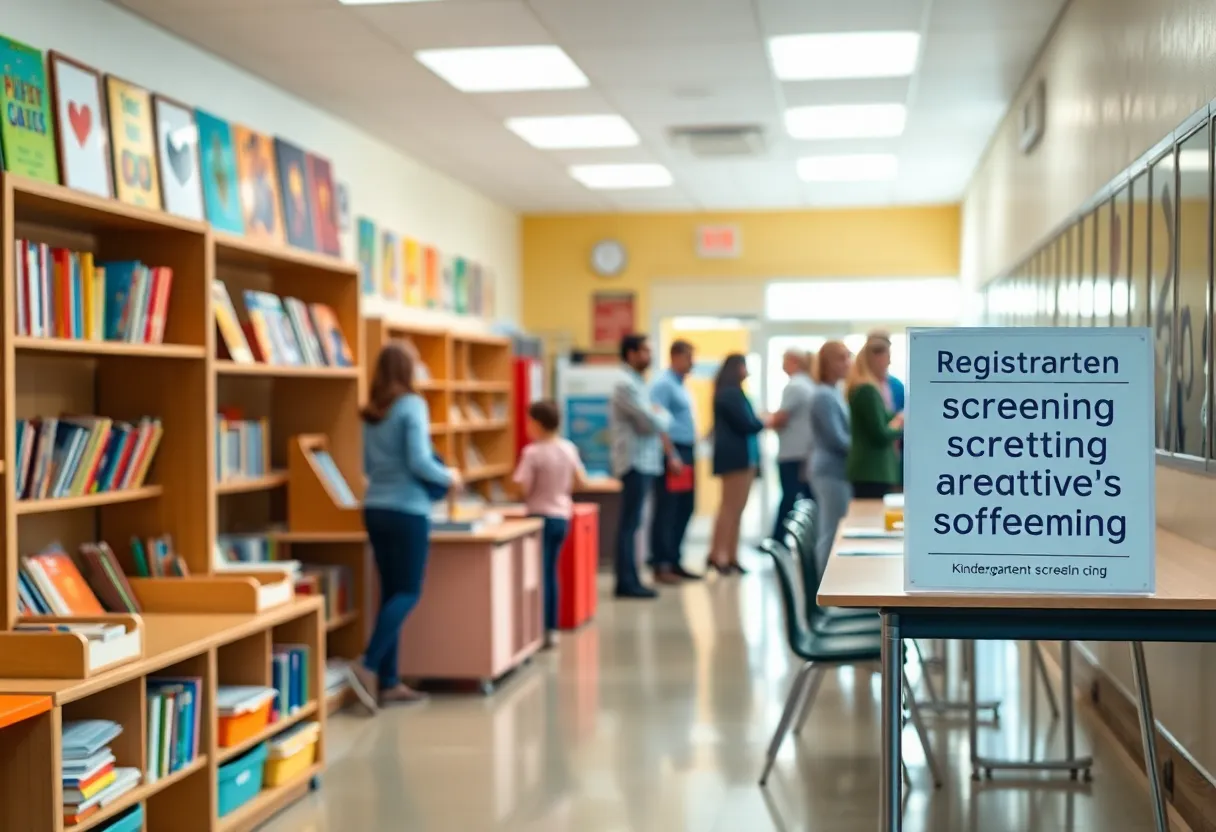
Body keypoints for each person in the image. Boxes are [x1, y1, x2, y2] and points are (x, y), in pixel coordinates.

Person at [348, 342, 462, 711]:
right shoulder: (412, 405)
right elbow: (419, 461)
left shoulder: (371, 412)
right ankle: (367, 665)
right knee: (409, 591)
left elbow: (366, 465)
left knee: (390, 593)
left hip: (375, 507)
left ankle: (391, 681)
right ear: (406, 369)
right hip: (407, 510)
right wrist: (450, 476)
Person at [514, 400, 587, 648]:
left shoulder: (533, 453)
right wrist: (562, 493)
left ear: (537, 423)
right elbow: (581, 481)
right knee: (551, 572)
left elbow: (524, 488)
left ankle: (539, 628)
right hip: (561, 516)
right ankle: (552, 628)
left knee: (539, 574)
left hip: (539, 517)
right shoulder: (568, 449)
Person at [609, 333, 671, 599]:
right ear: (631, 353)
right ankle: (625, 581)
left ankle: (632, 578)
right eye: (645, 351)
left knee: (634, 524)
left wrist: (657, 416)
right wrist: (657, 415)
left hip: (645, 460)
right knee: (629, 524)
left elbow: (659, 420)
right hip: (634, 461)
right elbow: (651, 422)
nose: (650, 356)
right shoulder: (625, 384)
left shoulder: (638, 383)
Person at [708, 354, 771, 574]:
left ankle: (731, 555)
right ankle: (719, 555)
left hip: (745, 458)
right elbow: (747, 423)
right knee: (729, 508)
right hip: (735, 459)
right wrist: (765, 421)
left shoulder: (733, 392)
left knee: (737, 510)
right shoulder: (729, 394)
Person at [648, 339, 701, 584]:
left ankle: (675, 559)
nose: (693, 362)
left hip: (687, 450)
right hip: (674, 453)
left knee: (684, 506)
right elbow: (659, 422)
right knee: (667, 509)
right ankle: (661, 563)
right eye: (689, 357)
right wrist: (671, 454)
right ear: (675, 356)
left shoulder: (681, 385)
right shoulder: (663, 384)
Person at [807, 341, 854, 572]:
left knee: (835, 526)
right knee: (831, 530)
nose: (848, 363)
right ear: (828, 363)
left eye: (848, 356)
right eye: (842, 358)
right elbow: (837, 439)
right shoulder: (823, 395)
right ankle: (824, 585)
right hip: (829, 471)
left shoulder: (835, 392)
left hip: (837, 470)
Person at [846, 335, 904, 500]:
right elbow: (881, 434)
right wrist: (900, 421)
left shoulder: (867, 388)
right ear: (875, 359)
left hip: (872, 471)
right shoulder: (867, 390)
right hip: (871, 471)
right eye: (887, 358)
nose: (889, 363)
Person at [769, 348, 817, 539]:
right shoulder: (808, 384)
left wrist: (766, 419)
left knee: (789, 497)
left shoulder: (795, 386)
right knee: (802, 497)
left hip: (793, 453)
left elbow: (779, 419)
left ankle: (777, 539)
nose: (782, 365)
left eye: (784, 360)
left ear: (794, 361)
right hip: (803, 452)